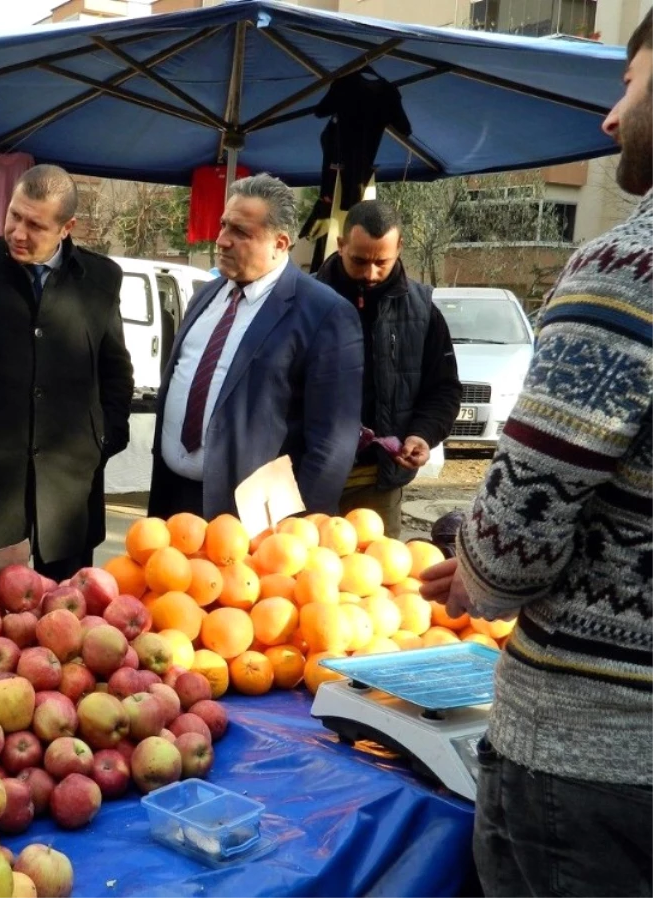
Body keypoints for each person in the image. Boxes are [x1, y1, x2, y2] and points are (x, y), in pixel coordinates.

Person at [420, 13, 653, 894]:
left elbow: (514, 549)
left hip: (593, 759)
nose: (610, 118)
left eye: (631, 86)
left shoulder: (626, 271)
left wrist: (474, 565)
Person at [0, 164, 134, 581]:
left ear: (66, 227)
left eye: (35, 225)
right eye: (14, 215)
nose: (18, 232)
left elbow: (115, 370)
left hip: (70, 488)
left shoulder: (101, 278)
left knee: (66, 622)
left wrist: (104, 437)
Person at [148, 173, 363, 520]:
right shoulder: (206, 295)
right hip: (173, 499)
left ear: (280, 243)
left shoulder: (325, 314)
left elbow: (333, 444)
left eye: (240, 232)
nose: (221, 240)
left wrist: (298, 534)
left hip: (253, 520)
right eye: (223, 226)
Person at [314, 200, 461, 537]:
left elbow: (444, 389)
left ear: (400, 248)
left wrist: (422, 435)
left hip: (379, 484)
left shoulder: (424, 311)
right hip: (308, 478)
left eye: (382, 262)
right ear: (340, 245)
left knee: (375, 581)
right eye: (359, 260)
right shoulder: (306, 300)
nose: (370, 273)